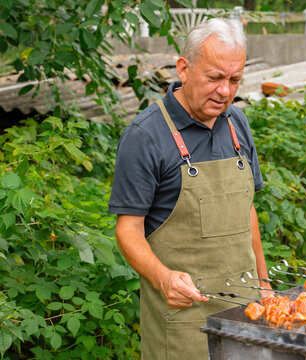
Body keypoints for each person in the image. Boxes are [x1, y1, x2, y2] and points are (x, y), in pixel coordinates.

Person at [108, 18, 272, 359]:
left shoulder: (237, 123)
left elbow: (247, 209)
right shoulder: (145, 136)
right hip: (184, 323)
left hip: (247, 313)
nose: (225, 91)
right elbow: (127, 230)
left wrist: (265, 283)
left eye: (234, 79)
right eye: (214, 78)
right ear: (184, 68)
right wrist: (162, 278)